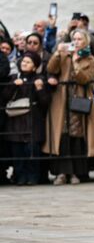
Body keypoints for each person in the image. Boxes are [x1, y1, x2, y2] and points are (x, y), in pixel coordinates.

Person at [44, 28, 94, 185]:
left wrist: (76, 62)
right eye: (74, 39)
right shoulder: (64, 55)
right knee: (62, 135)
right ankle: (62, 173)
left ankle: (76, 173)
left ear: (86, 42)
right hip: (62, 100)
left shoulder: (89, 59)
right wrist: (57, 53)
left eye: (79, 39)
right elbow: (51, 69)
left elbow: (84, 78)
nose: (76, 42)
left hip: (79, 99)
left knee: (77, 135)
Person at [4, 52, 49, 185]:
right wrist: (13, 85)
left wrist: (40, 89)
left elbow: (45, 102)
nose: (24, 63)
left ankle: (33, 177)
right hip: (15, 122)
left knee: (32, 150)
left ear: (34, 66)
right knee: (17, 151)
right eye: (24, 61)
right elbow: (5, 97)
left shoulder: (39, 79)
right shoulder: (14, 78)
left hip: (32, 122)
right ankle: (19, 176)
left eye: (28, 62)